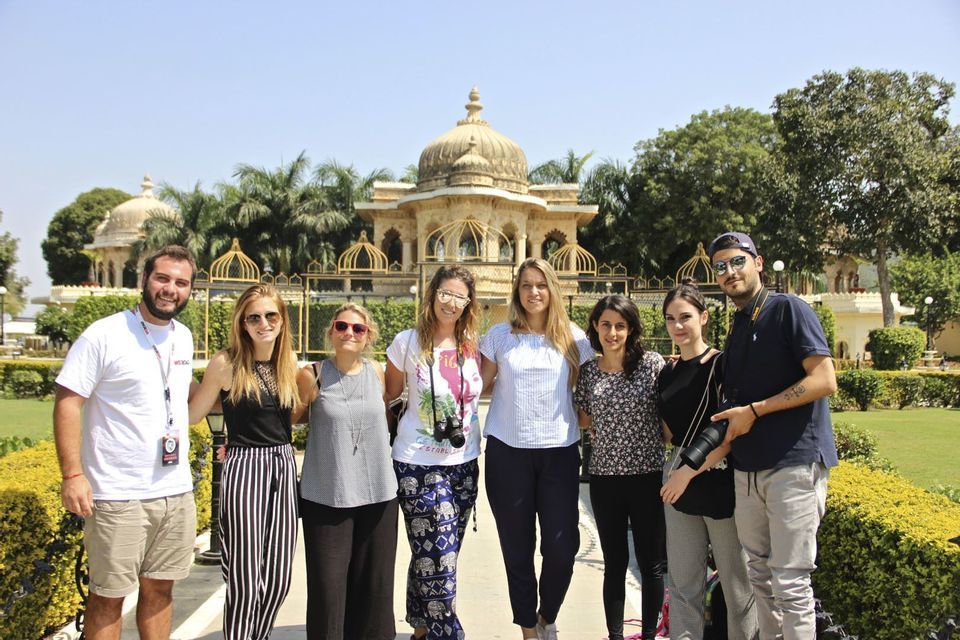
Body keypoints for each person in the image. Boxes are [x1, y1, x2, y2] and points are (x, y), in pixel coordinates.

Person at [53, 245, 197, 640]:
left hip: (174, 490)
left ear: (190, 290)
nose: (170, 289)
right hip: (117, 493)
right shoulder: (104, 334)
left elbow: (187, 394)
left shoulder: (183, 338)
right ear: (144, 280)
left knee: (161, 589)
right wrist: (73, 474)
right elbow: (68, 402)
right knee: (108, 596)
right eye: (162, 278)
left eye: (181, 283)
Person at [707, 232, 838, 640]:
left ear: (758, 262)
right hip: (748, 469)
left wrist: (756, 411)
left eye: (737, 261)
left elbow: (824, 380)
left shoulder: (788, 310)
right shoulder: (741, 325)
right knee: (759, 576)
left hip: (793, 465)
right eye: (721, 266)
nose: (730, 272)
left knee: (790, 582)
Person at [480, 257, 595, 640]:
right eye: (526, 285)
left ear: (553, 290)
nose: (533, 292)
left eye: (541, 285)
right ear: (517, 291)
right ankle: (529, 628)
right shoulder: (499, 336)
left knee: (562, 549)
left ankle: (547, 615)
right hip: (507, 452)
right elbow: (475, 387)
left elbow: (592, 390)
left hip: (559, 453)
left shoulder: (574, 338)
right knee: (518, 547)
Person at [188, 284, 300, 640]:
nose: (263, 323)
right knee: (245, 581)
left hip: (283, 466)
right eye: (254, 317)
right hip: (244, 465)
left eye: (271, 315)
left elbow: (290, 417)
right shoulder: (227, 363)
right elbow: (193, 414)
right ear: (243, 323)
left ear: (282, 320)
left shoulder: (288, 363)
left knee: (279, 579)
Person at [385, 265, 483, 640]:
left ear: (469, 303)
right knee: (439, 556)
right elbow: (391, 394)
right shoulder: (407, 342)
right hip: (416, 463)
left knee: (437, 553)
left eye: (460, 296)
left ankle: (421, 626)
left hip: (464, 464)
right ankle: (447, 633)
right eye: (446, 293)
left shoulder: (474, 345)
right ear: (432, 294)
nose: (452, 302)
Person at [657, 279, 758, 640]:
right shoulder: (666, 373)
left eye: (685, 317)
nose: (677, 326)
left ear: (704, 317)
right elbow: (670, 431)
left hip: (718, 475)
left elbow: (730, 432)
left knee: (737, 585)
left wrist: (686, 472)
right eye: (670, 318)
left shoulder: (721, 366)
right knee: (684, 584)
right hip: (678, 477)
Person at [296, 303, 399, 640]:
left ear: (369, 335)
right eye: (342, 326)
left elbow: (385, 418)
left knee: (375, 590)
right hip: (328, 495)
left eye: (358, 329)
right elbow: (288, 422)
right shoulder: (312, 375)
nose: (349, 333)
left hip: (378, 494)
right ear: (331, 332)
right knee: (329, 593)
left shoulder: (378, 373)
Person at [575, 295, 666, 640]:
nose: (612, 333)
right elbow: (583, 419)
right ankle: (615, 635)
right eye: (606, 325)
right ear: (595, 328)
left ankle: (647, 635)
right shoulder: (588, 372)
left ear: (631, 329)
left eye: (620, 326)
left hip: (646, 477)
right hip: (605, 479)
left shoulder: (652, 365)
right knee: (614, 563)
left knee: (651, 563)